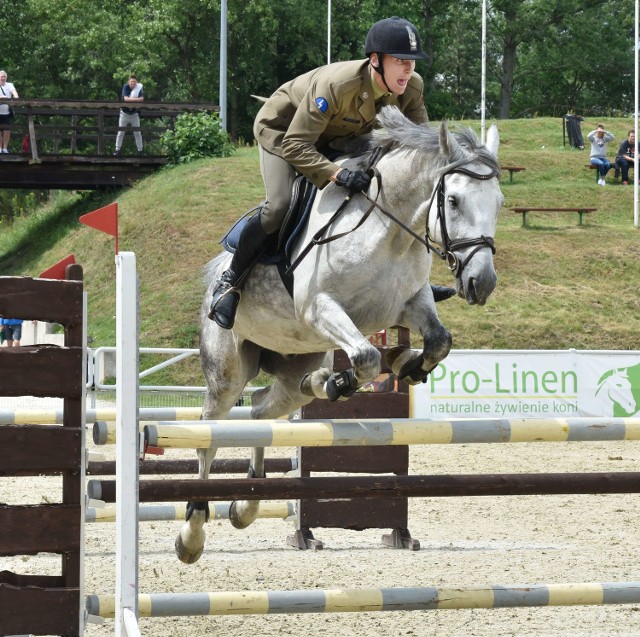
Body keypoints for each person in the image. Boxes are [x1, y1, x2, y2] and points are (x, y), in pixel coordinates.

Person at [208, 17, 455, 328]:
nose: (409, 69)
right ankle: (231, 280)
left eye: (412, 62)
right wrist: (336, 175)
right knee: (280, 205)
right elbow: (298, 145)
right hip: (285, 133)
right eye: (400, 61)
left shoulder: (411, 87)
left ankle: (404, 283)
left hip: (340, 139)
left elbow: (419, 147)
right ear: (375, 61)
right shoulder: (338, 86)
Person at [113, 75, 145, 156]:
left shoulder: (139, 88)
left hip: (134, 114)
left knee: (137, 132)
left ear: (136, 83)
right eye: (131, 82)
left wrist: (134, 100)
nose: (133, 83)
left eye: (134, 82)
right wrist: (136, 100)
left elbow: (142, 99)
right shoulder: (126, 87)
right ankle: (117, 150)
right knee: (121, 132)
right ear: (129, 82)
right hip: (124, 113)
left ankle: (140, 150)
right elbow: (126, 99)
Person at [0, 70, 18, 154]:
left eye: (4, 76)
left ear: (6, 77)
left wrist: (16, 97)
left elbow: (14, 92)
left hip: (6, 112)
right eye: (1, 76)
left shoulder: (9, 85)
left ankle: (5, 148)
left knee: (7, 131)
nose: (3, 78)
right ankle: (0, 148)